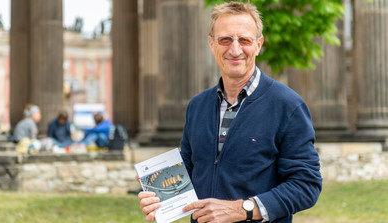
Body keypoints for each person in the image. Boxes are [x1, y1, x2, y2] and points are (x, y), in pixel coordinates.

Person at [138, 2, 322, 223]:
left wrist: (243, 209)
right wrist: (158, 199)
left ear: (258, 44)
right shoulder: (197, 106)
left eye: (244, 40)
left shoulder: (288, 106)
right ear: (211, 44)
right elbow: (187, 171)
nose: (235, 49)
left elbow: (307, 185)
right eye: (225, 40)